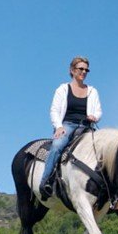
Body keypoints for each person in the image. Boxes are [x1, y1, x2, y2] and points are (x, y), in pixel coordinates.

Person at [39, 56, 102, 201]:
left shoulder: (92, 91)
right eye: (81, 69)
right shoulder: (63, 89)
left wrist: (94, 117)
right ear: (72, 70)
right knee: (57, 146)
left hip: (86, 126)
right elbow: (54, 110)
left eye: (86, 70)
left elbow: (99, 111)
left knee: (101, 150)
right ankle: (45, 181)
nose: (84, 72)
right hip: (67, 125)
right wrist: (59, 127)